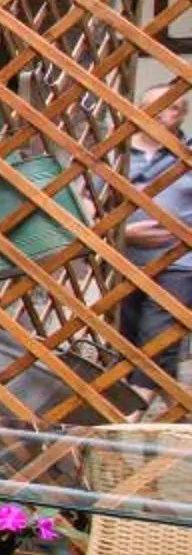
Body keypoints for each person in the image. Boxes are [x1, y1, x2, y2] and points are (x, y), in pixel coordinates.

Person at [118, 90, 192, 382]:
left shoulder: (188, 155)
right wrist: (120, 233)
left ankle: (137, 405)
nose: (164, 113)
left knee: (158, 339)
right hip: (123, 260)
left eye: (174, 108)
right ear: (140, 108)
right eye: (156, 106)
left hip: (179, 262)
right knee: (123, 338)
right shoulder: (117, 152)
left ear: (183, 116)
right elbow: (88, 200)